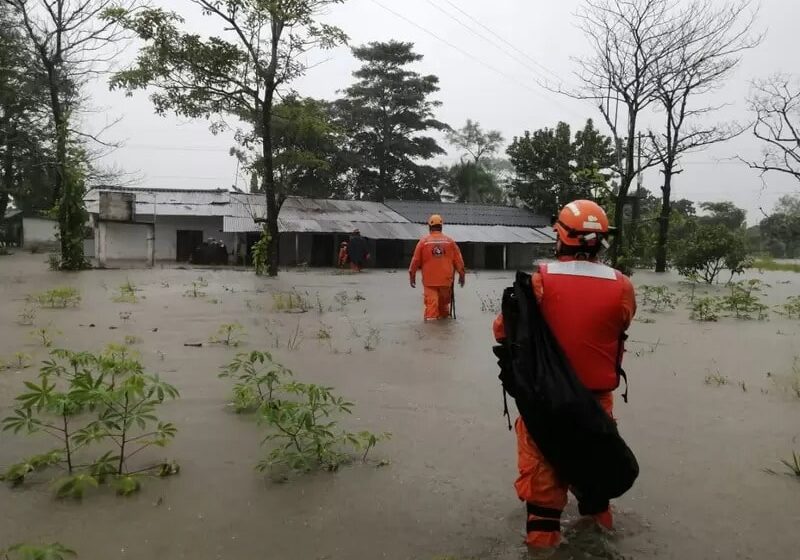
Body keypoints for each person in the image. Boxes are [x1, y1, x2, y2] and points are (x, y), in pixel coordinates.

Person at [492, 200, 636, 549]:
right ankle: (599, 538)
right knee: (595, 483)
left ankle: (542, 547)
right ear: (601, 242)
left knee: (542, 497)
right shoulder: (623, 286)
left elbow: (502, 332)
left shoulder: (538, 282)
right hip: (595, 404)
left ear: (562, 238)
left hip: (545, 406)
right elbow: (620, 324)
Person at [408, 214, 466, 320]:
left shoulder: (423, 242)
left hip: (430, 282)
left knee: (431, 309)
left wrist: (412, 275)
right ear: (441, 226)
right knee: (444, 309)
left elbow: (415, 261)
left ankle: (432, 333)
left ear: (429, 227)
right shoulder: (450, 242)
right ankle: (444, 331)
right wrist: (462, 275)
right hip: (446, 281)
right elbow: (459, 261)